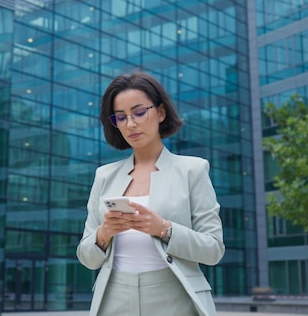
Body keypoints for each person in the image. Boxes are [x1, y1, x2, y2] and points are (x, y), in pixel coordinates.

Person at [76, 71, 225, 316]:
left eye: (139, 112)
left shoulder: (193, 170)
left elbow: (213, 249)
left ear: (161, 112)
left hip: (175, 297)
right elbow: (87, 257)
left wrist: (164, 229)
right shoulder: (104, 176)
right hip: (114, 298)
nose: (131, 124)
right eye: (120, 117)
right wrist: (104, 233)